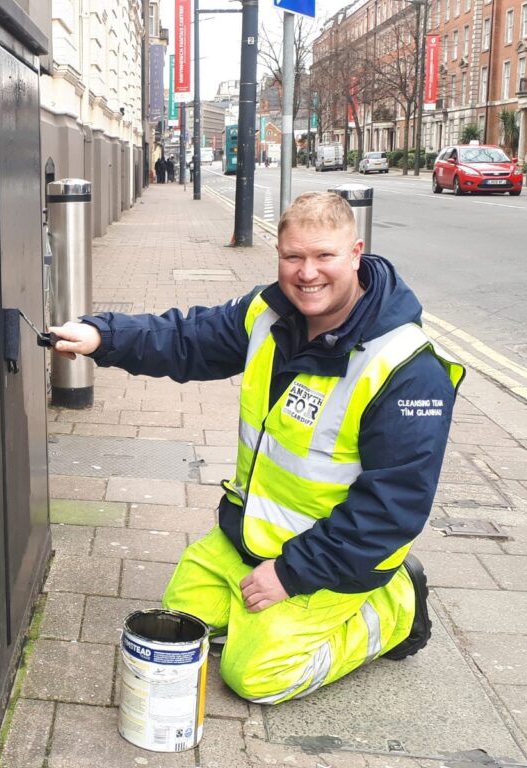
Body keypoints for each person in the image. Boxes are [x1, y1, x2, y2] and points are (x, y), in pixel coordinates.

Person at [50, 191, 464, 704]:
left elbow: (393, 508)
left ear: (356, 253)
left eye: (324, 256)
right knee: (180, 621)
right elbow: (188, 339)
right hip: (248, 538)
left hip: (334, 558)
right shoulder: (269, 314)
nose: (306, 273)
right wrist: (101, 336)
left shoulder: (407, 370)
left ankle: (394, 606)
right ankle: (259, 601)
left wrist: (292, 575)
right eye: (293, 257)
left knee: (255, 676)